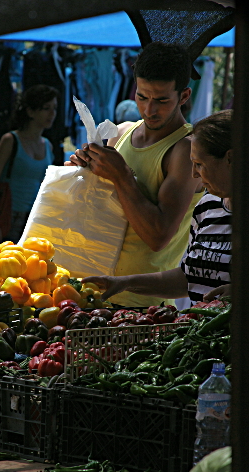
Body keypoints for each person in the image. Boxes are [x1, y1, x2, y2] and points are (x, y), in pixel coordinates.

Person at [68, 42, 204, 307]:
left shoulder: (185, 151)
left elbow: (158, 237)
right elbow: (101, 204)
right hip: (92, 292)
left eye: (162, 100)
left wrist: (121, 176)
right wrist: (81, 173)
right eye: (142, 97)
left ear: (184, 96)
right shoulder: (120, 133)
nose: (149, 110)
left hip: (141, 307)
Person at [83, 110, 232, 305]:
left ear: (231, 158)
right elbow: (188, 278)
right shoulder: (207, 207)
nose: (194, 174)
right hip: (203, 333)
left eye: (200, 164)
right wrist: (123, 283)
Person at [0, 84, 58, 242]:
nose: (52, 114)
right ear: (30, 111)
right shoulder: (10, 141)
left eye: (54, 108)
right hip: (7, 215)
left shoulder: (48, 145)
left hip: (33, 217)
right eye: (46, 108)